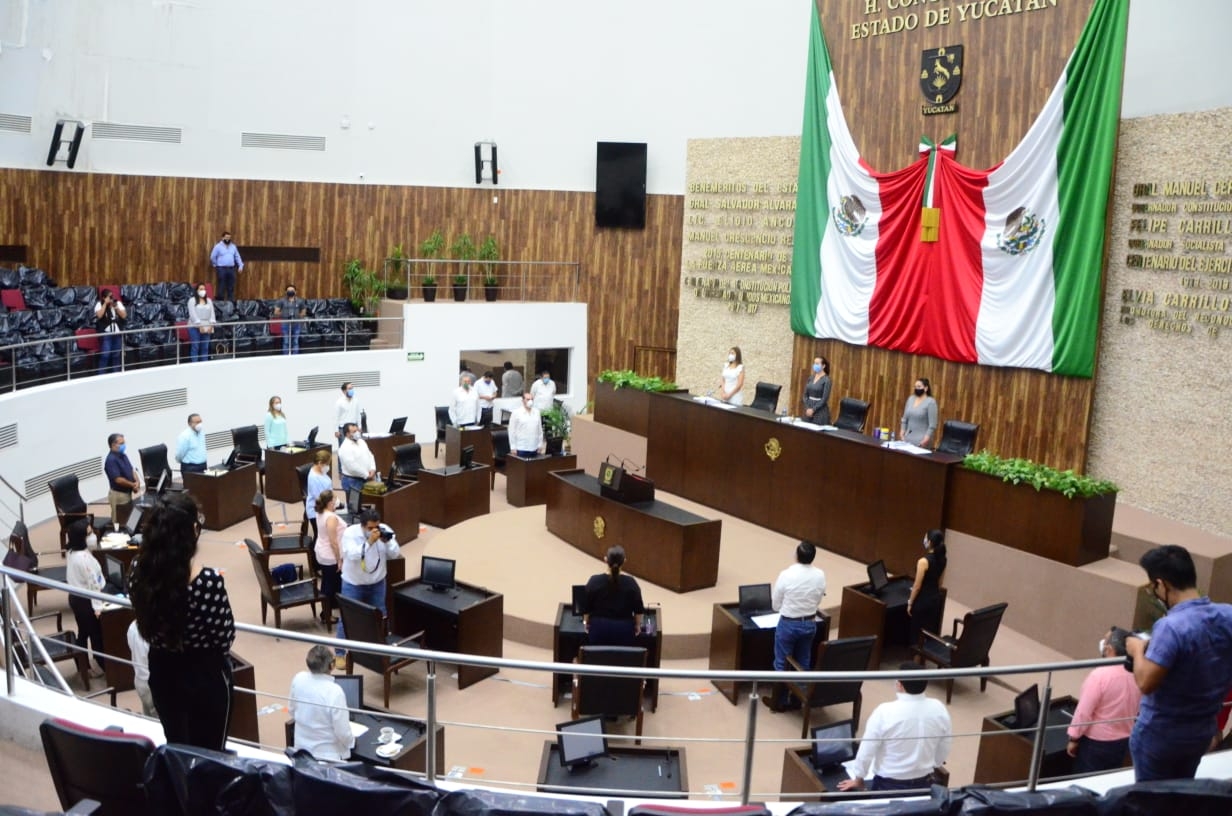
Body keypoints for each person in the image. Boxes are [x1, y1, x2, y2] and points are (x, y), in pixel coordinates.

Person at [129, 492, 236, 750]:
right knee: (211, 754)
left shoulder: (136, 571)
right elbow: (225, 638)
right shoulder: (206, 582)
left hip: (162, 671)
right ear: (192, 532)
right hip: (205, 677)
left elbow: (145, 621)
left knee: (177, 747)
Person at [1124, 544, 1232, 781]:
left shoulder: (1171, 626)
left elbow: (1145, 682)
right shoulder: (1227, 615)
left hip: (1160, 735)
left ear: (1162, 585)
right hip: (1201, 730)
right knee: (1182, 793)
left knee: (1151, 800)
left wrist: (1137, 649)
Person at [838, 663, 952, 792]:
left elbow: (867, 749)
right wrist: (935, 764)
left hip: (888, 784)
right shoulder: (939, 708)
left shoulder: (884, 711)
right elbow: (945, 745)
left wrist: (859, 778)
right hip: (925, 782)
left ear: (899, 685)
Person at [1066, 627, 1142, 774]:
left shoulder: (1099, 675)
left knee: (1085, 783)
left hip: (1095, 744)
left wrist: (1074, 738)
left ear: (1109, 649)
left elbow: (1084, 712)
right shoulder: (1137, 673)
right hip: (1123, 742)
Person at [762, 540, 827, 712]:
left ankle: (779, 702)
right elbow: (818, 599)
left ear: (797, 555)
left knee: (781, 663)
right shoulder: (820, 574)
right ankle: (798, 699)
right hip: (810, 624)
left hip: (789, 624)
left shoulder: (786, 574)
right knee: (803, 661)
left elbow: (775, 605)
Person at [335, 510, 400, 668]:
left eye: (376, 527)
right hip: (353, 584)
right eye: (370, 528)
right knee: (346, 618)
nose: (374, 530)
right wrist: (370, 542)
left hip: (377, 584)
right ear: (362, 526)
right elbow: (353, 555)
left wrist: (388, 541)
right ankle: (340, 653)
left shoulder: (383, 530)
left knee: (381, 615)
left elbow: (396, 553)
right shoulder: (350, 534)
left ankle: (382, 651)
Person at [289, 645, 355, 761]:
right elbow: (343, 733)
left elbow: (291, 711)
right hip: (327, 758)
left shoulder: (298, 679)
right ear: (332, 665)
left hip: (301, 752)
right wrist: (352, 741)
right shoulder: (335, 692)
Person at [65, 519, 106, 679]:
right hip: (86, 601)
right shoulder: (83, 558)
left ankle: (84, 665)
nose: (93, 536)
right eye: (89, 533)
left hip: (76, 598)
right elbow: (93, 585)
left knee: (83, 632)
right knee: (95, 634)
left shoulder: (72, 552)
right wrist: (98, 608)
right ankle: (101, 666)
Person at [582, 545, 645, 647]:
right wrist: (637, 625)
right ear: (624, 561)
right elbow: (638, 610)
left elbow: (586, 608)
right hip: (625, 632)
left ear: (605, 559)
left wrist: (585, 623)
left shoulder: (594, 581)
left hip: (598, 631)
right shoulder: (631, 583)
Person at [907, 529, 947, 646]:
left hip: (922, 602)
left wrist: (910, 602)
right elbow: (939, 583)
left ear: (929, 542)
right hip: (934, 600)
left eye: (925, 538)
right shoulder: (944, 560)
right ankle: (923, 657)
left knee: (916, 634)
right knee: (927, 632)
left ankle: (915, 659)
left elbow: (917, 586)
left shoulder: (923, 562)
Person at [314, 489, 343, 628]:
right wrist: (339, 560)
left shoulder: (321, 512)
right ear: (330, 502)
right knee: (329, 585)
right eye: (335, 499)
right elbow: (333, 542)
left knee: (329, 581)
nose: (337, 501)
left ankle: (331, 604)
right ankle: (325, 614)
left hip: (321, 552)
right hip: (329, 556)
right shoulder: (331, 518)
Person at [103, 432, 141, 527]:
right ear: (113, 445)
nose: (124, 445)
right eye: (121, 443)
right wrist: (133, 485)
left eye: (124, 443)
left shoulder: (123, 455)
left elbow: (131, 470)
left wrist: (137, 482)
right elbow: (118, 480)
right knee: (118, 521)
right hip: (118, 495)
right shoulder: (111, 460)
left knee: (128, 518)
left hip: (127, 493)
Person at [126, 620, 157, 717]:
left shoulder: (132, 626)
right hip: (152, 682)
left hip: (139, 679)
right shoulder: (153, 633)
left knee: (147, 713)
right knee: (158, 720)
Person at [93, 287, 127, 375]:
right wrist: (105, 304)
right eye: (109, 297)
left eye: (112, 296)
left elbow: (123, 316)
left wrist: (116, 307)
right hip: (106, 333)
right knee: (105, 355)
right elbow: (99, 315)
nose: (111, 299)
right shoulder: (99, 304)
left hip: (117, 332)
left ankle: (116, 374)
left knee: (116, 355)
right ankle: (101, 375)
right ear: (104, 298)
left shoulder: (117, 303)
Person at [337, 422, 375, 498]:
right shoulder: (344, 448)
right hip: (353, 482)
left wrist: (372, 468)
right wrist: (367, 475)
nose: (357, 433)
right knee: (355, 507)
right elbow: (352, 467)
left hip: (366, 478)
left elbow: (370, 455)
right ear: (347, 434)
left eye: (357, 430)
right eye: (354, 432)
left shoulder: (361, 441)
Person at [899, 377, 938, 447]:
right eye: (915, 387)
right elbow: (904, 419)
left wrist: (926, 439)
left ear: (926, 388)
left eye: (919, 387)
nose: (917, 389)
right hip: (907, 439)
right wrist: (902, 432)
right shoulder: (911, 399)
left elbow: (932, 425)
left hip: (921, 441)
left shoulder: (931, 402)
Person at [305, 448, 333, 541]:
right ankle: (314, 555)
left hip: (326, 504)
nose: (328, 466)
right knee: (319, 537)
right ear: (320, 463)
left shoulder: (321, 472)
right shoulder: (314, 478)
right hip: (317, 511)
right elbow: (320, 498)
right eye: (327, 464)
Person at [209, 230, 244, 301]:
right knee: (221, 285)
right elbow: (212, 257)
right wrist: (216, 265)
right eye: (226, 237)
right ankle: (220, 302)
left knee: (231, 286)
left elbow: (237, 257)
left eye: (229, 238)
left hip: (231, 269)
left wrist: (240, 266)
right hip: (221, 268)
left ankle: (230, 302)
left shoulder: (233, 247)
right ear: (222, 238)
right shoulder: (218, 246)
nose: (228, 239)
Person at [186, 283, 216, 363]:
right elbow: (192, 314)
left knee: (205, 348)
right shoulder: (192, 300)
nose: (203, 291)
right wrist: (199, 325)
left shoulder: (209, 300)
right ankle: (194, 365)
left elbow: (212, 314)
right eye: (201, 289)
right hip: (194, 327)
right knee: (195, 347)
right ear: (196, 291)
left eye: (204, 289)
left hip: (207, 326)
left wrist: (211, 325)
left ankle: (204, 365)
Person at [508, 391, 544, 457]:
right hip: (521, 447)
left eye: (532, 399)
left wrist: (540, 445)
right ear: (523, 400)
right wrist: (513, 447)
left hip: (534, 447)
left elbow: (539, 430)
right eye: (528, 399)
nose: (530, 401)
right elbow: (511, 431)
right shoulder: (516, 413)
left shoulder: (537, 412)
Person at [272, 284, 304, 354]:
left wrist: (298, 316)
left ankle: (295, 357)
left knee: (295, 341)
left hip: (296, 324)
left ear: (295, 292)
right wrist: (285, 315)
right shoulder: (281, 301)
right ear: (286, 292)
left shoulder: (300, 301)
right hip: (285, 324)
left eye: (292, 290)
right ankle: (286, 357)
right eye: (288, 290)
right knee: (286, 341)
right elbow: (276, 312)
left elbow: (303, 312)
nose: (290, 292)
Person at [802, 356, 832, 425]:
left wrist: (813, 409)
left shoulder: (827, 380)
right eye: (814, 363)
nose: (815, 365)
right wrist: (808, 408)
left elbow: (824, 399)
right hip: (808, 409)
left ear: (823, 366)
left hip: (819, 410)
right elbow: (805, 395)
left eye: (817, 363)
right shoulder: (811, 378)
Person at [334, 382, 361, 448]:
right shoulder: (339, 402)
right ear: (344, 391)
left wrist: (360, 426)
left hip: (354, 428)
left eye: (352, 388)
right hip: (343, 429)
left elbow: (358, 414)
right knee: (343, 448)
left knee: (355, 447)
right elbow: (335, 417)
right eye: (349, 388)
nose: (351, 390)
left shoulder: (356, 400)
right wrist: (336, 430)